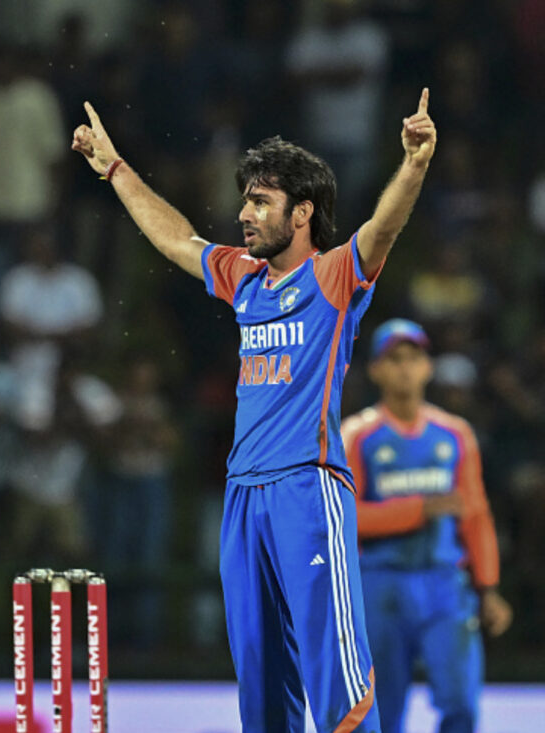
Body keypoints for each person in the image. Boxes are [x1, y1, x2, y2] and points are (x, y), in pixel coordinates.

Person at [71, 88, 437, 731]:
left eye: (260, 202)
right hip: (243, 496)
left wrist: (412, 166)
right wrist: (114, 169)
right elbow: (177, 239)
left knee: (337, 681)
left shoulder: (334, 277)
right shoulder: (242, 277)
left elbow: (384, 229)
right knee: (262, 689)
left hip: (307, 486)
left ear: (302, 214)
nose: (244, 213)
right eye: (247, 199)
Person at [342, 318, 512, 733]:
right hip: (380, 584)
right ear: (376, 370)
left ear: (428, 367)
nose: (405, 368)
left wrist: (487, 587)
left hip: (443, 584)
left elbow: (475, 516)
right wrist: (419, 509)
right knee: (381, 713)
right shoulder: (358, 435)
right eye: (394, 359)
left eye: (413, 358)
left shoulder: (455, 435)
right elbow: (344, 521)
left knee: (461, 704)